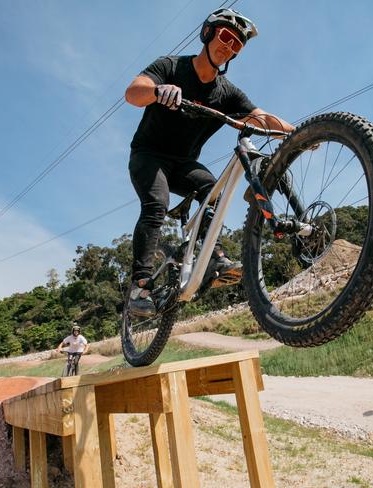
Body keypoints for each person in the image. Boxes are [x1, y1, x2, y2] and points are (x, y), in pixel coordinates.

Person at [124, 8, 295, 317]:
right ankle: (140, 286)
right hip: (149, 156)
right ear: (208, 33)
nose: (228, 46)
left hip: (185, 163)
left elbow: (261, 117)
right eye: (226, 37)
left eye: (237, 45)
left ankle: (214, 256)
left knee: (211, 190)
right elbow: (133, 93)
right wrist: (158, 90)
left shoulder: (226, 92)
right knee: (156, 205)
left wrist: (302, 133)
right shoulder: (171, 66)